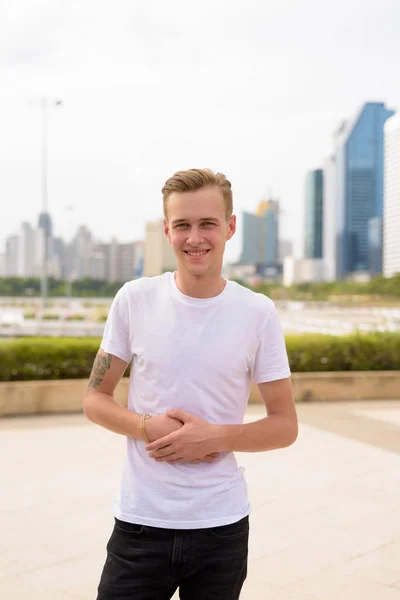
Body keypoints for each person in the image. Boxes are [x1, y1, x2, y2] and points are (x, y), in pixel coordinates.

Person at [83, 168, 298, 600]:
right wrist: (146, 426)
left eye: (208, 224)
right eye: (182, 225)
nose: (194, 237)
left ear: (230, 227)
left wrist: (213, 437)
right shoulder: (134, 299)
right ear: (167, 230)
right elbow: (95, 398)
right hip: (141, 525)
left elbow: (285, 425)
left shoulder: (257, 313)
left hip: (221, 529)